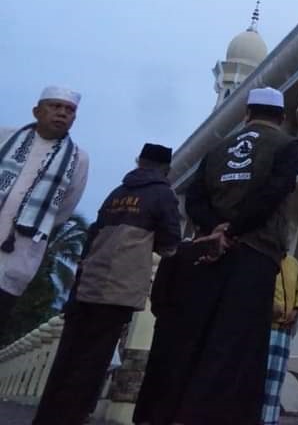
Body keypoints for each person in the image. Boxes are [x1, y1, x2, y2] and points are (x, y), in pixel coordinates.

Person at [174, 87, 298, 425]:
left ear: (247, 114)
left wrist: (215, 229)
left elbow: (194, 199)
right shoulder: (288, 146)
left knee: (202, 336)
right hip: (256, 253)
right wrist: (234, 231)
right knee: (242, 344)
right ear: (282, 118)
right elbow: (273, 193)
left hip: (211, 253)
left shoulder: (217, 149)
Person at [32, 142, 180, 425]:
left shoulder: (118, 193)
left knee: (68, 357)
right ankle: (72, 417)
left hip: (88, 284)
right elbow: (170, 242)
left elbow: (93, 234)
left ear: (139, 162)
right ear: (167, 170)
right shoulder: (163, 194)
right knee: (93, 362)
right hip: (118, 289)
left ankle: (47, 417)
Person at [0, 86, 89, 330]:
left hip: (19, 253)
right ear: (37, 111)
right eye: (55, 106)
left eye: (69, 110)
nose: (62, 113)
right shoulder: (6, 137)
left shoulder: (78, 159)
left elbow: (65, 208)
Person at [133, 239, 201, 425]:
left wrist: (162, 313)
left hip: (169, 323)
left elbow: (158, 292)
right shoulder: (196, 253)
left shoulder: (180, 250)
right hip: (186, 327)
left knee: (157, 375)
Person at [262, 252, 298, 425]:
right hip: (264, 330)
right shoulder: (264, 258)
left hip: (284, 333)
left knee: (275, 381)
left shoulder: (294, 263)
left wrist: (296, 309)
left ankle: (269, 420)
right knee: (258, 378)